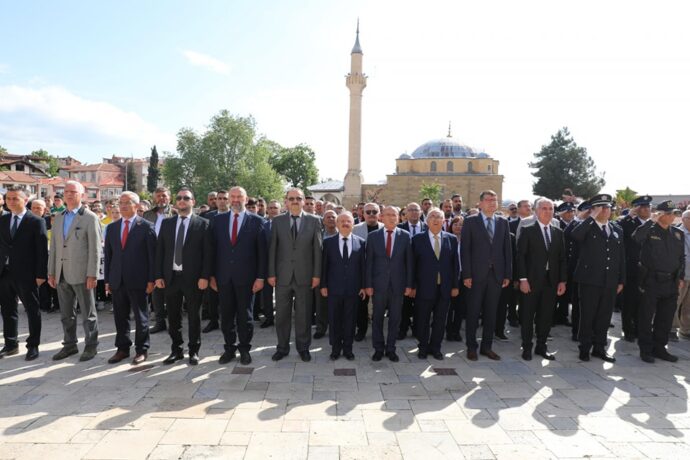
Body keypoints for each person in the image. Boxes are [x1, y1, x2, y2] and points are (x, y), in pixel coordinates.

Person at [207, 186, 266, 365]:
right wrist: (211, 276)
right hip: (223, 278)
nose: (234, 200)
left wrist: (260, 277)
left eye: (239, 197)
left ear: (245, 199)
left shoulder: (257, 221)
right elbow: (211, 250)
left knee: (245, 316)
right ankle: (229, 348)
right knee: (226, 315)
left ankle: (244, 348)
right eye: (232, 197)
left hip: (247, 279)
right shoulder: (217, 221)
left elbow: (262, 253)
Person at [48, 180, 102, 362]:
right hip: (62, 273)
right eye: (66, 191)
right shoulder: (59, 217)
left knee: (88, 313)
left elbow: (95, 249)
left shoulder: (89, 217)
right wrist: (52, 272)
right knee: (66, 314)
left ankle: (91, 345)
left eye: (73, 191)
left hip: (82, 274)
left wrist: (92, 274)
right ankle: (69, 345)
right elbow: (54, 247)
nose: (69, 194)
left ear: (82, 195)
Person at [155, 188, 209, 366]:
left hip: (193, 279)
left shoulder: (203, 224)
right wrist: (158, 276)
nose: (182, 200)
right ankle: (176, 350)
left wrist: (204, 276)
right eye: (179, 198)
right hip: (171, 278)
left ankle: (194, 350)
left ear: (193, 201)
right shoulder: (167, 224)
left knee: (194, 316)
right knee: (173, 316)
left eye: (186, 198)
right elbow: (160, 252)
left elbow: (207, 254)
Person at [268, 188, 322, 362]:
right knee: (282, 315)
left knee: (304, 315)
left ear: (304, 201)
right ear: (286, 201)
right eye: (291, 198)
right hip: (282, 276)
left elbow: (318, 251)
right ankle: (282, 348)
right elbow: (272, 250)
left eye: (298, 198)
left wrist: (316, 275)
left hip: (305, 276)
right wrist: (271, 273)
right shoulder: (277, 221)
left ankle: (303, 347)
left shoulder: (314, 221)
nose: (295, 201)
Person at [569, 194, 624, 363]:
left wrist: (621, 280)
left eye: (608, 207)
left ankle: (600, 348)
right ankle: (584, 348)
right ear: (593, 209)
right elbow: (575, 236)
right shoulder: (587, 227)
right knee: (588, 315)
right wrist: (591, 216)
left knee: (604, 317)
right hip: (589, 280)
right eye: (601, 207)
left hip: (610, 281)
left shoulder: (616, 229)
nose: (606, 211)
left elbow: (620, 256)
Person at [103, 192, 156, 365]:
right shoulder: (112, 228)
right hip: (118, 280)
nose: (123, 206)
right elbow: (109, 255)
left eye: (127, 202)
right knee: (120, 316)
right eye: (121, 203)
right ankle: (122, 349)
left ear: (136, 205)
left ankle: (142, 350)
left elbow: (151, 256)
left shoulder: (146, 226)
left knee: (141, 317)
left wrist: (151, 280)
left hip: (139, 280)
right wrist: (108, 280)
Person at [461, 190, 512, 361]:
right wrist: (466, 274)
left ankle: (487, 347)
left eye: (494, 199)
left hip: (496, 275)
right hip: (476, 275)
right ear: (480, 203)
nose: (492, 202)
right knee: (473, 313)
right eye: (488, 200)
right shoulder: (470, 221)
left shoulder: (503, 222)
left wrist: (507, 274)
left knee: (492, 313)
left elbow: (507, 250)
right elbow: (465, 250)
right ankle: (471, 347)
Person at [632, 201, 685, 363]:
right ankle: (646, 349)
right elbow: (636, 238)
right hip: (652, 280)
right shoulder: (649, 230)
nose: (672, 217)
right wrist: (651, 221)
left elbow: (681, 258)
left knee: (665, 317)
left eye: (674, 213)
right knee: (646, 317)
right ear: (660, 214)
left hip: (671, 282)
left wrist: (680, 277)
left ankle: (660, 348)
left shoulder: (677, 233)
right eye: (668, 213)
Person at [0, 186, 48, 360]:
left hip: (27, 275)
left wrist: (41, 274)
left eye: (15, 198)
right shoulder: (3, 220)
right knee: (7, 310)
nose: (11, 201)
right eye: (8, 198)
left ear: (25, 200)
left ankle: (33, 345)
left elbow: (42, 250)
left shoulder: (35, 221)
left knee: (32, 310)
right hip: (4, 274)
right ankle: (11, 344)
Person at [516, 198, 567, 361]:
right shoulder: (528, 230)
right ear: (536, 211)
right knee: (527, 315)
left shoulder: (558, 232)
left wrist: (562, 281)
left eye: (551, 209)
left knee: (546, 316)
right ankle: (527, 347)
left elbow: (562, 259)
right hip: (530, 281)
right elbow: (520, 257)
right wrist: (522, 279)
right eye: (544, 208)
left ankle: (541, 346)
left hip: (550, 281)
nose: (548, 211)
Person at [365, 206, 413, 362]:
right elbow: (369, 262)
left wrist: (409, 285)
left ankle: (391, 349)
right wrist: (368, 284)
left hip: (398, 286)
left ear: (399, 218)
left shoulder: (405, 236)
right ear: (381, 217)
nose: (392, 217)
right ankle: (378, 349)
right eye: (388, 215)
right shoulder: (373, 237)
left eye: (395, 215)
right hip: (378, 286)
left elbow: (409, 263)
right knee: (377, 318)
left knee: (395, 319)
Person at [411, 208, 459, 360]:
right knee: (423, 319)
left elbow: (455, 265)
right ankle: (423, 347)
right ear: (426, 220)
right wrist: (412, 286)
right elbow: (412, 265)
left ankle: (436, 347)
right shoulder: (417, 239)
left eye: (439, 216)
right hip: (424, 287)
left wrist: (455, 286)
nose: (436, 219)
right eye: (432, 216)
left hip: (444, 288)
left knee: (440, 320)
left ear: (444, 220)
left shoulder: (451, 239)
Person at [321, 212, 366, 360]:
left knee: (350, 320)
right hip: (333, 289)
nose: (345, 223)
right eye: (342, 221)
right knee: (334, 320)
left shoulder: (360, 242)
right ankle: (335, 349)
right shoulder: (328, 243)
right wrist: (323, 285)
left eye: (348, 221)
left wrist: (363, 286)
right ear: (337, 224)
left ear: (353, 224)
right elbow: (324, 266)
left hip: (353, 290)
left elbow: (362, 267)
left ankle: (348, 349)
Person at [618, 195, 653, 342]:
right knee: (630, 300)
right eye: (642, 207)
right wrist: (629, 215)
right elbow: (621, 229)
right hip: (632, 267)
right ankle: (628, 329)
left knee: (645, 302)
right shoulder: (628, 223)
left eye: (648, 207)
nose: (646, 209)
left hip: (649, 268)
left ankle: (640, 328)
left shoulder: (653, 224)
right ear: (637, 209)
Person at [143, 187, 174, 334]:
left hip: (171, 256)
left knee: (173, 290)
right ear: (155, 198)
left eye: (164, 196)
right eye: (158, 196)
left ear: (169, 198)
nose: (161, 198)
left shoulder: (175, 212)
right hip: (152, 256)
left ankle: (175, 321)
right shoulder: (148, 214)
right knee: (155, 290)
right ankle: (160, 321)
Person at [352, 202, 383, 341]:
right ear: (362, 214)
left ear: (379, 214)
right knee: (361, 304)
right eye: (368, 212)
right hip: (361, 272)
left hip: (380, 273)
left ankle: (378, 331)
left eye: (374, 212)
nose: (371, 214)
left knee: (380, 304)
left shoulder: (385, 228)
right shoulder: (355, 229)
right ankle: (361, 330)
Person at [397, 202, 427, 339]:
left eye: (416, 210)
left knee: (420, 304)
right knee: (405, 304)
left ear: (421, 212)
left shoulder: (429, 228)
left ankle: (417, 329)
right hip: (404, 272)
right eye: (411, 210)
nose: (414, 212)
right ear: (406, 213)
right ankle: (403, 328)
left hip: (423, 273)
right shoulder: (399, 229)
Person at [259, 199, 281, 329]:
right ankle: (269, 317)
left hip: (282, 265)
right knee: (267, 294)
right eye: (271, 208)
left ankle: (282, 318)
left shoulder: (286, 225)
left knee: (282, 294)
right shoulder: (263, 226)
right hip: (267, 265)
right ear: (267, 210)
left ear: (280, 209)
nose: (273, 210)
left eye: (275, 208)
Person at [446, 215, 466, 341]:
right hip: (450, 277)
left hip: (464, 277)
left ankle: (456, 331)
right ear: (451, 226)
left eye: (461, 225)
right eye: (455, 224)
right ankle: (448, 330)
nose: (458, 227)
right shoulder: (446, 239)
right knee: (449, 307)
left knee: (460, 306)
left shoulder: (468, 241)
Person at [676, 210, 690, 340]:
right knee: (676, 302)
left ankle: (685, 330)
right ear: (684, 219)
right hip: (682, 275)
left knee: (688, 305)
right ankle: (671, 328)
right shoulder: (676, 233)